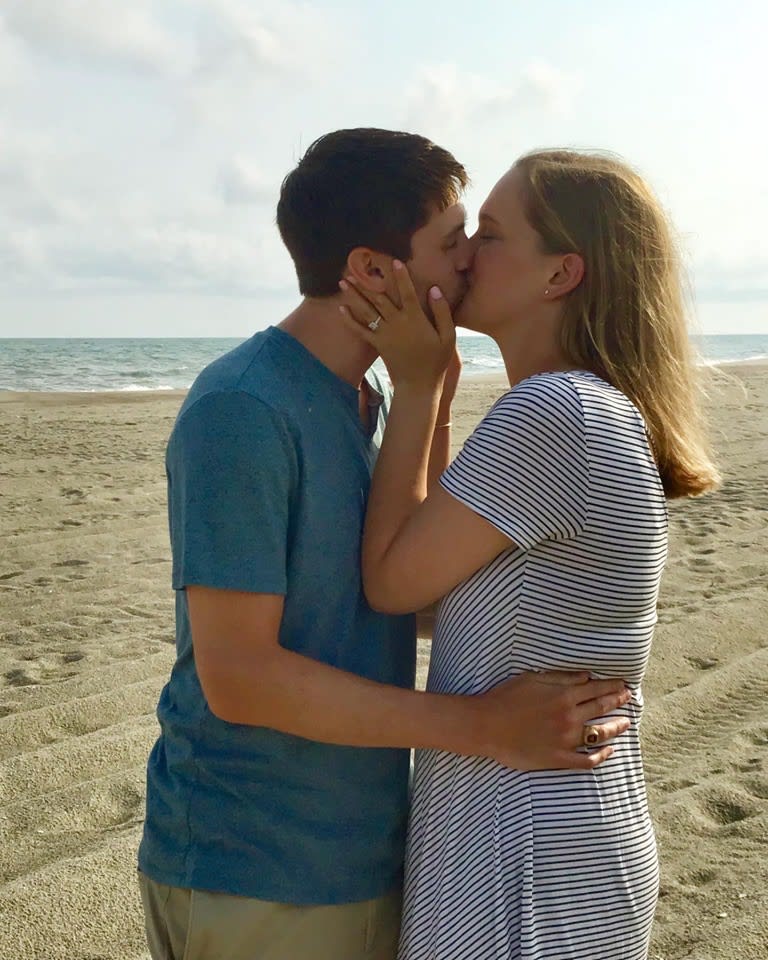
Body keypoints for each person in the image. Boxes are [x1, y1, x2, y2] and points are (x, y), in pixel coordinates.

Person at [137, 131, 633, 960]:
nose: (470, 258)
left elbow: (423, 588)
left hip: (361, 854)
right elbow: (239, 677)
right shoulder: (243, 409)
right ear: (373, 270)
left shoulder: (369, 400)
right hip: (257, 867)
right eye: (451, 240)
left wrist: (425, 392)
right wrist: (481, 727)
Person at [339, 149, 719, 959]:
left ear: (561, 275)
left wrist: (413, 391)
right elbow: (437, 594)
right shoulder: (583, 409)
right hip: (541, 825)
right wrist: (435, 391)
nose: (467, 252)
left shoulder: (556, 413)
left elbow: (389, 584)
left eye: (494, 234)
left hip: (528, 844)